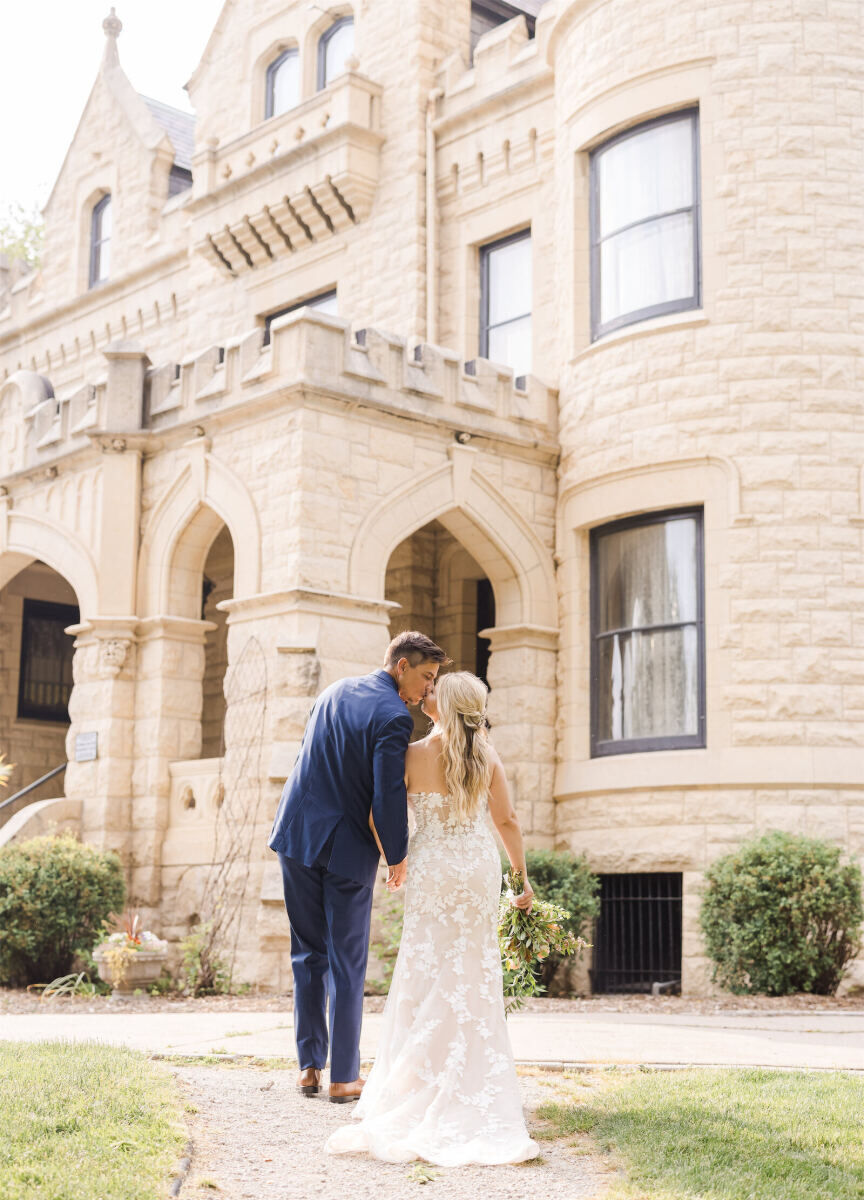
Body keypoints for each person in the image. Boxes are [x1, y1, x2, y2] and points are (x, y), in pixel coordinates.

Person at [325, 670, 539, 1165]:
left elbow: (383, 812)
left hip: (431, 867)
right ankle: (468, 1077)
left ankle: (417, 1077)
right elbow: (506, 820)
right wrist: (519, 880)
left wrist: (394, 857)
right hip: (476, 867)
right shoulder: (486, 756)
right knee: (472, 971)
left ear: (444, 705)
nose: (428, 692)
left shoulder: (412, 754)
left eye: (435, 691)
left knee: (424, 968)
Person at [267, 631, 448, 1103]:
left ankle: (309, 1068)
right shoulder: (392, 715)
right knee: (347, 961)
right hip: (345, 846)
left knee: (307, 952)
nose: (427, 692)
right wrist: (398, 855)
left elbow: (312, 756)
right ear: (401, 666)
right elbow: (387, 793)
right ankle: (344, 1078)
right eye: (426, 678)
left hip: (296, 833)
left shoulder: (333, 691)